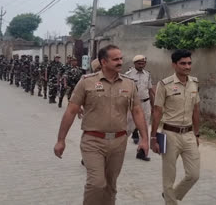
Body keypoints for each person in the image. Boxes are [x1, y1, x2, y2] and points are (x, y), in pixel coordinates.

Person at [54, 45, 149, 205]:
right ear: (104, 62)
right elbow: (71, 111)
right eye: (115, 59)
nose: (120, 62)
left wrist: (144, 139)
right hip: (93, 141)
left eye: (121, 58)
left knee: (111, 185)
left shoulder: (129, 84)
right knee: (97, 183)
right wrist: (61, 140)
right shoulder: (86, 82)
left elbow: (138, 112)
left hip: (119, 142)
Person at [151, 49, 200, 205]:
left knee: (193, 174)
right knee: (169, 176)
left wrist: (197, 134)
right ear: (174, 65)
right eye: (183, 63)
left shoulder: (194, 83)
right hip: (169, 134)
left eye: (189, 63)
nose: (187, 66)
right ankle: (170, 201)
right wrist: (153, 137)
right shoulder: (164, 85)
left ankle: (171, 195)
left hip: (189, 134)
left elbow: (196, 109)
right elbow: (157, 111)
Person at [125, 55, 155, 161]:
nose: (141, 65)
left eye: (143, 63)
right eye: (139, 63)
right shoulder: (128, 75)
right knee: (128, 128)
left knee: (145, 128)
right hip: (133, 105)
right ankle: (118, 149)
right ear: (134, 63)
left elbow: (150, 90)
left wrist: (153, 105)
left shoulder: (147, 74)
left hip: (146, 104)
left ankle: (142, 152)